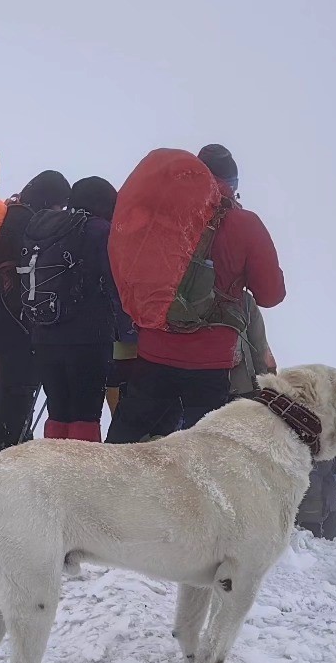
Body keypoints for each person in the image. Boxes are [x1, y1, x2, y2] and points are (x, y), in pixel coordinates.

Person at [107, 143, 286, 443]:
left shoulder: (157, 219)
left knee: (123, 444)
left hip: (153, 351)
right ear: (232, 185)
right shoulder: (244, 224)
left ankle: (100, 483)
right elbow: (271, 295)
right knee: (206, 454)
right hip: (211, 362)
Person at [0, 170, 70, 451]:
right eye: (58, 205)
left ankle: (2, 434)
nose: (58, 212)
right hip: (13, 312)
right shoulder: (28, 221)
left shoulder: (10, 212)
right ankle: (6, 439)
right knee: (21, 377)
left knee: (8, 378)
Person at [28, 176, 121, 441]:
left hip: (44, 331)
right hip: (88, 337)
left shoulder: (49, 228)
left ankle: (52, 469)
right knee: (85, 411)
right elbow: (115, 285)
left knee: (58, 408)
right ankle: (82, 474)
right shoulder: (101, 231)